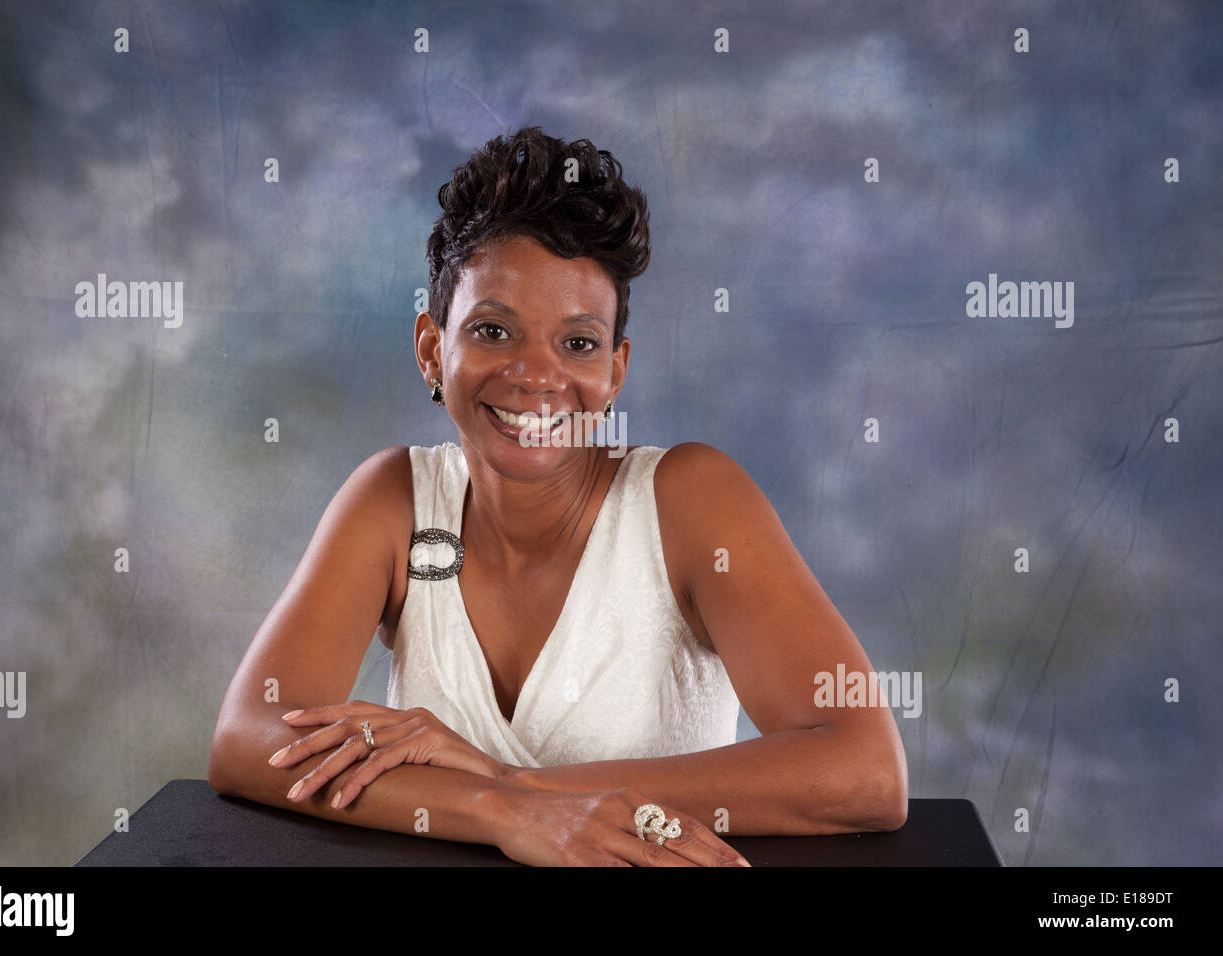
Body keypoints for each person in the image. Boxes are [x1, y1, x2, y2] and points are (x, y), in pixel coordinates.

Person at [208, 126, 907, 866]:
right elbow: (249, 738)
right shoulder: (393, 501)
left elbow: (865, 771)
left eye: (577, 344)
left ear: (615, 372)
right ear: (430, 350)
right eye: (493, 330)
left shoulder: (692, 500)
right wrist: (500, 810)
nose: (537, 376)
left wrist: (515, 783)